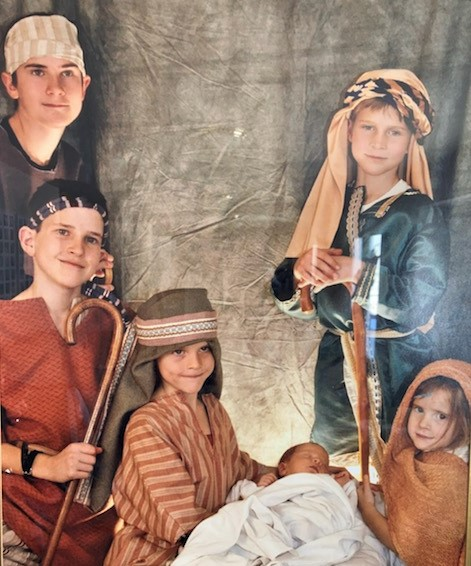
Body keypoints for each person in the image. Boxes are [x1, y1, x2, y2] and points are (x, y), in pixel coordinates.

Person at [271, 69, 449, 461]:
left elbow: (420, 303)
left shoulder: (418, 212)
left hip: (400, 368)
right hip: (337, 369)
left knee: (401, 467)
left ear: (410, 142)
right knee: (336, 469)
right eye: (368, 127)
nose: (378, 143)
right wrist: (300, 273)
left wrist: (357, 273)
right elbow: (302, 309)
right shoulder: (331, 208)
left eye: (393, 132)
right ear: (348, 129)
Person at [104, 288, 275, 565]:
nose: (195, 364)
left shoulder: (213, 408)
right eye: (178, 351)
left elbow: (238, 467)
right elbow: (180, 519)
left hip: (219, 543)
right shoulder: (147, 425)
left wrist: (301, 472)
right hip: (161, 555)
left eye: (203, 348)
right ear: (153, 357)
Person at [0, 179, 119, 565]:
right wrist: (47, 465)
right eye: (63, 232)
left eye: (91, 239)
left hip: (104, 516)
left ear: (101, 255)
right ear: (29, 240)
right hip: (21, 519)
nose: (76, 248)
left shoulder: (110, 322)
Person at [357, 359, 471, 566]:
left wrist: (368, 511)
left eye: (441, 416)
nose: (424, 424)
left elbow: (413, 550)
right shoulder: (418, 453)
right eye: (419, 409)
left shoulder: (451, 480)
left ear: (464, 422)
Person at [257, 441, 352, 487]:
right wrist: (263, 487)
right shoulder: (276, 486)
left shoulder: (328, 485)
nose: (318, 461)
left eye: (323, 463)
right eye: (307, 456)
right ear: (283, 469)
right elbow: (256, 504)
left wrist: (338, 486)